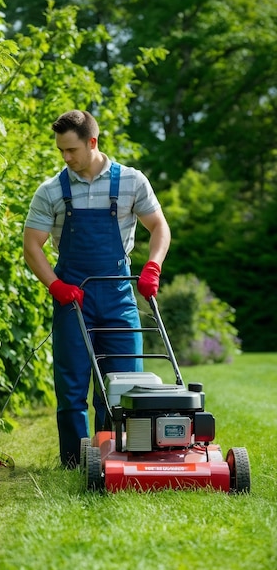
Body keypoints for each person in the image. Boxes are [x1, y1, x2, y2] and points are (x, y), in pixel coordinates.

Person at [23, 110, 171, 467]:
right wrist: (56, 285)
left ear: (92, 142)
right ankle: (75, 460)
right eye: (61, 150)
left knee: (123, 384)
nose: (66, 157)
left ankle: (116, 456)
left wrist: (153, 266)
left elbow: (159, 228)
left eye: (71, 150)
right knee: (72, 386)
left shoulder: (132, 182)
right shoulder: (52, 190)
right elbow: (31, 246)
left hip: (119, 294)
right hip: (73, 298)